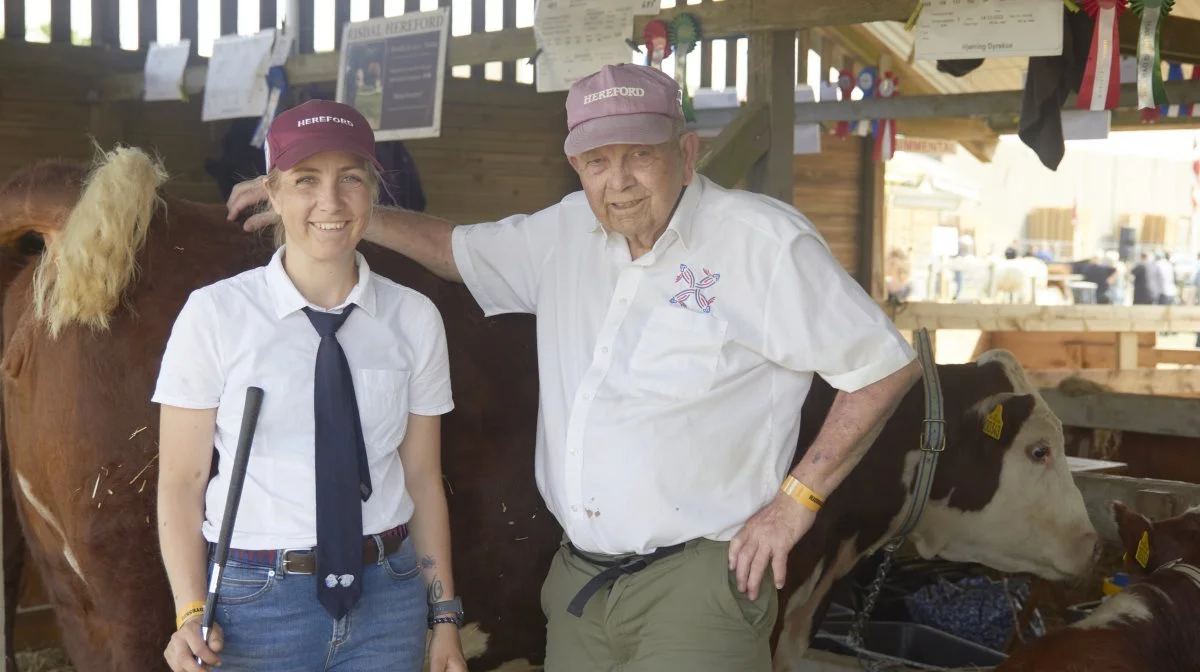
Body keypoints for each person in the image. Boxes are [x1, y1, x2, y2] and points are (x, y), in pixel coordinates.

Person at [227, 64, 920, 670]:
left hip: (699, 582)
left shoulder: (761, 244)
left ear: (685, 150)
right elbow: (452, 249)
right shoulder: (564, 233)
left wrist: (794, 504)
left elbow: (884, 365)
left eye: (639, 156)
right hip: (582, 585)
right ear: (576, 165)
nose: (617, 182)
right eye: (595, 161)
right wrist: (341, 212)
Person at [156, 99, 468, 672]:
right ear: (272, 194)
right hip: (256, 607)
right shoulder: (215, 315)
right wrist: (189, 610)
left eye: (350, 178)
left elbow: (423, 479)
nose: (330, 202)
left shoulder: (415, 318)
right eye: (306, 180)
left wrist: (443, 617)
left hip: (389, 600)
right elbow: (181, 480)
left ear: (372, 192)